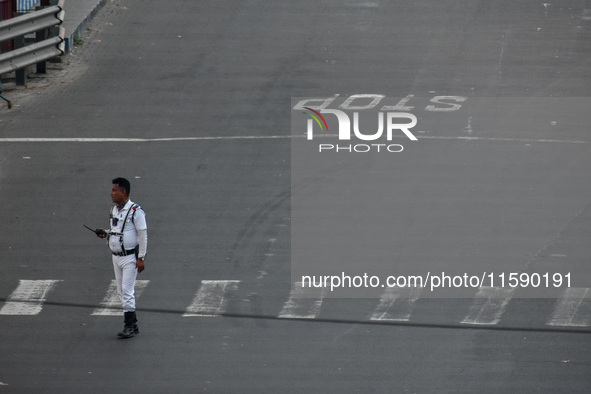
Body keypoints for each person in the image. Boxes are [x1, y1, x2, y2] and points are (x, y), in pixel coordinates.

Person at [97, 177, 147, 338]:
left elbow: (143, 235)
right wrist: (105, 233)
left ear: (123, 192)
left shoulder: (136, 211)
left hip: (130, 257)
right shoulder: (114, 210)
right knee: (120, 291)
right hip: (116, 257)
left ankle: (129, 326)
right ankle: (134, 323)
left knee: (127, 290)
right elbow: (116, 231)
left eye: (114, 190)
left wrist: (141, 258)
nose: (111, 193)